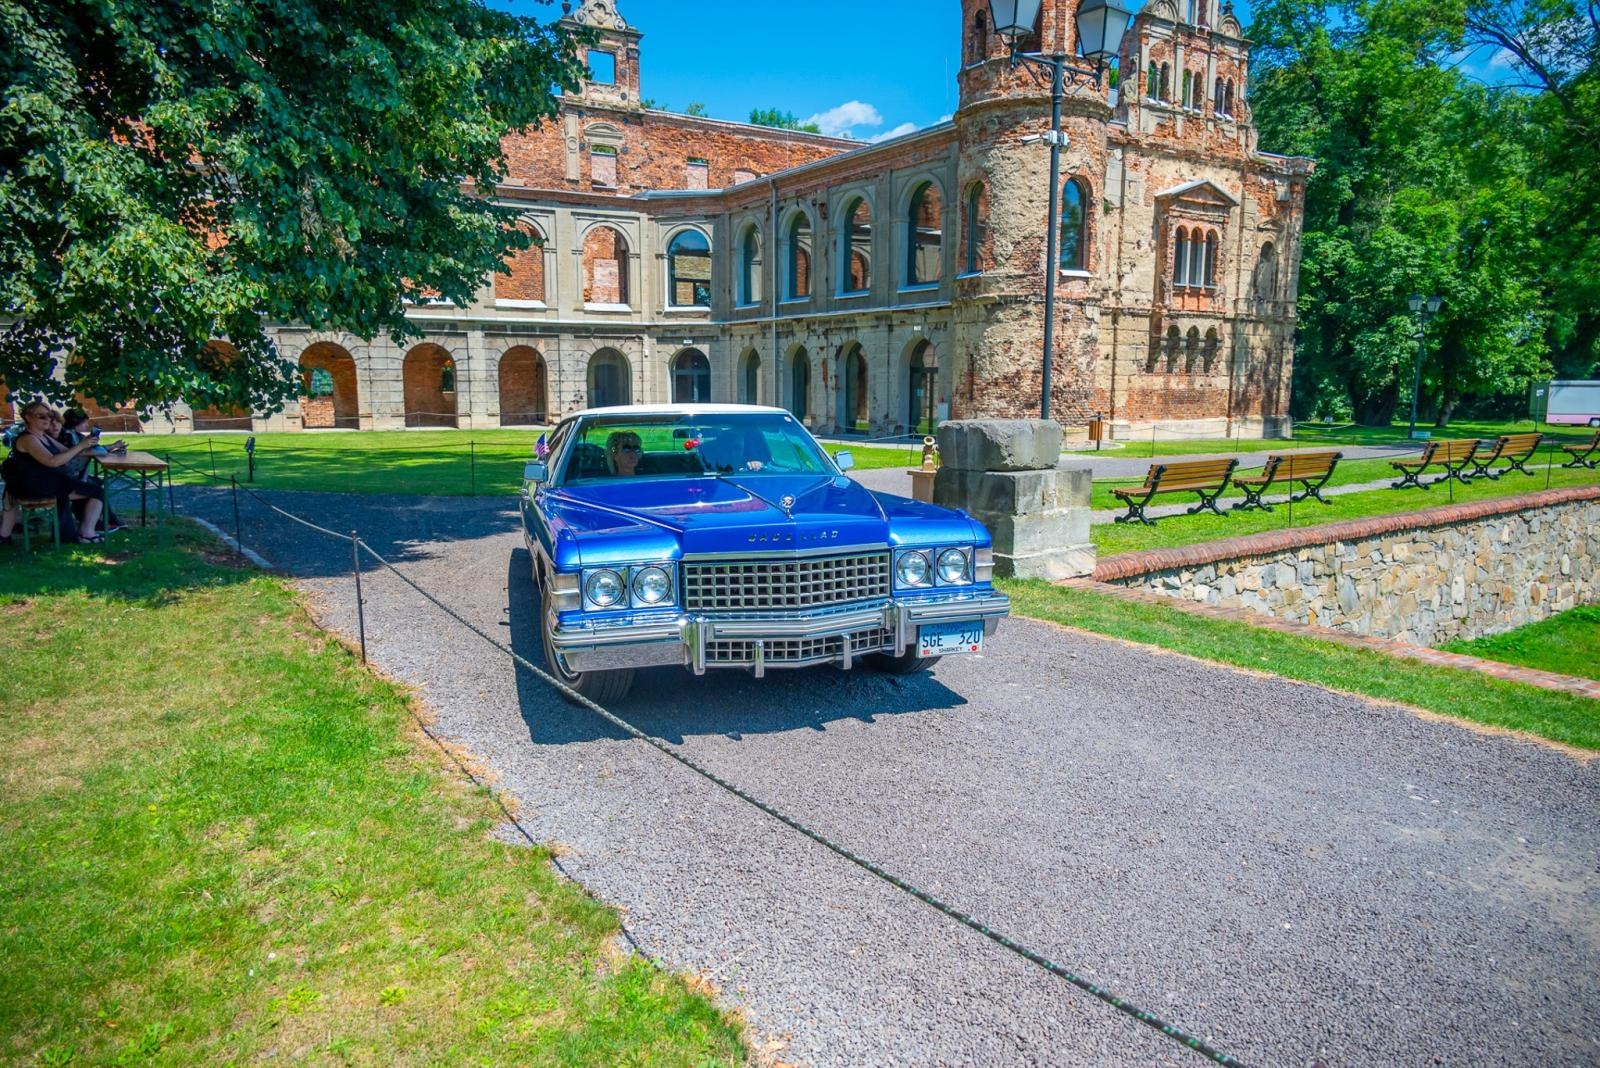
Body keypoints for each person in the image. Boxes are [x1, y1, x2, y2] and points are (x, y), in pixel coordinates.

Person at [0, 401, 122, 544]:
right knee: (96, 492)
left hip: (47, 481)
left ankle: (83, 531)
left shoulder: (43, 436)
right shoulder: (27, 439)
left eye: (49, 415)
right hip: (35, 485)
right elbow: (52, 461)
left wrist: (93, 448)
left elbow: (67, 453)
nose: (47, 419)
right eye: (41, 416)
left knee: (95, 489)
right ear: (28, 417)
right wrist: (82, 445)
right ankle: (86, 532)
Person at [55, 409, 125, 532]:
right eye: (85, 422)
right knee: (95, 487)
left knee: (95, 483)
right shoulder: (68, 435)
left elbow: (94, 449)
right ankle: (107, 522)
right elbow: (88, 451)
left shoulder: (73, 435)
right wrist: (109, 447)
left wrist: (111, 446)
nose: (87, 425)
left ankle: (103, 521)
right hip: (68, 478)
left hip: (70, 477)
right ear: (77, 422)